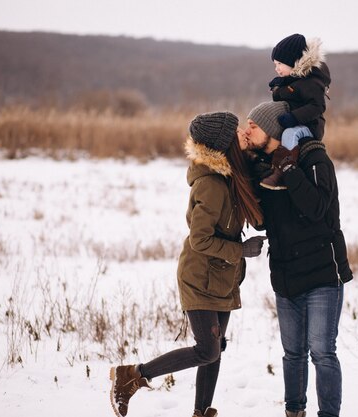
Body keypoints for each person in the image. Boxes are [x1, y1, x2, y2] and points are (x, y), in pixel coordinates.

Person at [109, 111, 267, 417]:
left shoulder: (231, 175)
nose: (242, 134)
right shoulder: (211, 184)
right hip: (200, 278)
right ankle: (132, 375)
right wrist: (241, 249)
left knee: (215, 350)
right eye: (236, 132)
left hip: (221, 277)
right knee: (207, 350)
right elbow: (200, 240)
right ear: (223, 145)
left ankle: (202, 411)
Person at [244, 101, 353, 417]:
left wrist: (289, 169)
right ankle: (294, 411)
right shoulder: (262, 169)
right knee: (293, 353)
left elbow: (317, 207)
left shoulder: (313, 158)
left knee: (322, 352)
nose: (247, 129)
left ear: (273, 129)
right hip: (285, 274)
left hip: (322, 273)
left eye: (253, 124)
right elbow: (262, 222)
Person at [260, 33, 331, 190]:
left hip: (310, 126)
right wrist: (278, 88)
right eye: (274, 64)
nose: (276, 68)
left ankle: (285, 172)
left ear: (292, 61)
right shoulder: (295, 79)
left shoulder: (312, 82)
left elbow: (317, 106)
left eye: (279, 63)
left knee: (289, 134)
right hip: (294, 122)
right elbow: (286, 97)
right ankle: (266, 165)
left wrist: (293, 117)